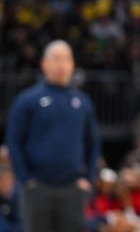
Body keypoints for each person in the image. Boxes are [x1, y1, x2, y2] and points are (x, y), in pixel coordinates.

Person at [5, 39, 101, 232]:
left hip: (73, 189)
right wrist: (25, 179)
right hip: (37, 188)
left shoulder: (82, 102)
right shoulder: (27, 100)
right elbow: (14, 141)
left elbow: (93, 143)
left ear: (73, 64)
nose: (61, 64)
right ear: (44, 64)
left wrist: (88, 179)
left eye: (66, 59)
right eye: (56, 59)